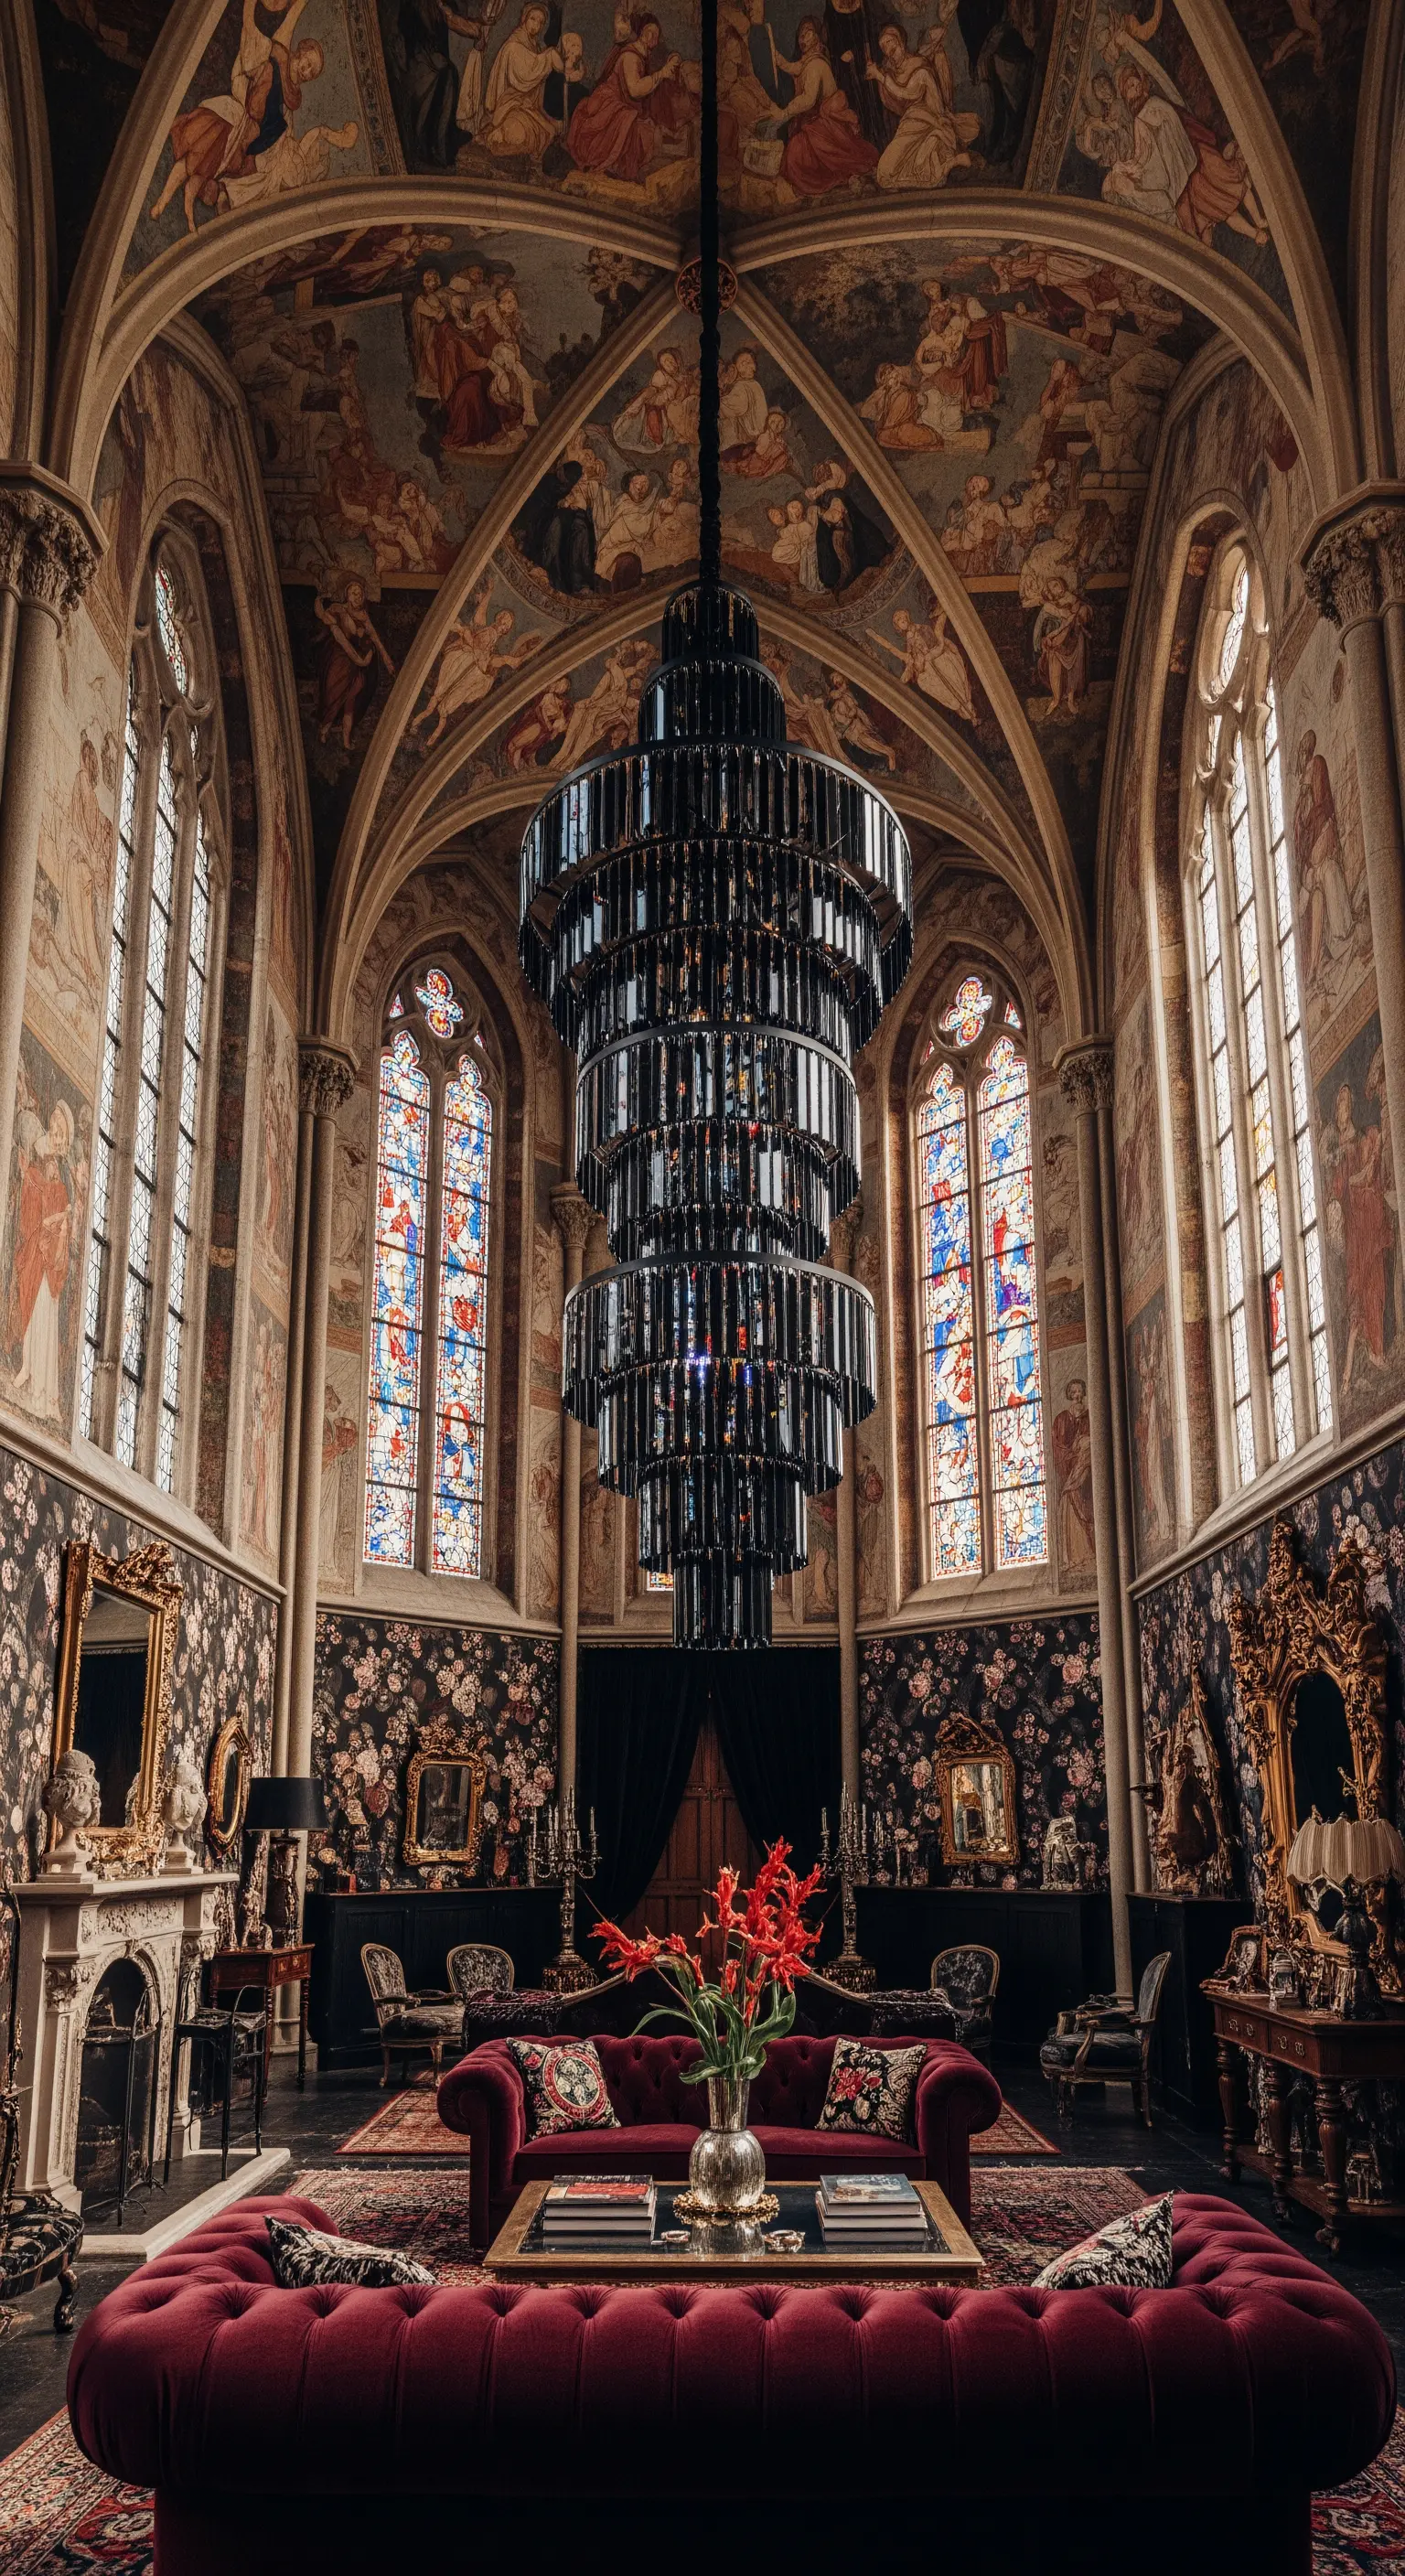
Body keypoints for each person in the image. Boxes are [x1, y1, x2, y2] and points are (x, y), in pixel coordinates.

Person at [566, 15, 692, 185]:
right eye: (648, 32)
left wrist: (669, 66)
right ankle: (610, 165)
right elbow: (635, 90)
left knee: (645, 123)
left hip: (622, 103)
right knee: (628, 120)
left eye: (655, 34)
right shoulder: (631, 56)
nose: (652, 37)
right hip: (608, 102)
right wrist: (661, 74)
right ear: (641, 32)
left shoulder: (643, 55)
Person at [768, 19, 879, 196]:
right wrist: (774, 55)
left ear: (818, 37)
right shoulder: (808, 62)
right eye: (800, 34)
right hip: (816, 122)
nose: (802, 37)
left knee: (797, 153)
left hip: (828, 125)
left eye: (808, 31)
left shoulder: (816, 64)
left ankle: (835, 178)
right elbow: (793, 67)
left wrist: (784, 113)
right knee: (796, 152)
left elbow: (808, 100)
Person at [868, 24, 979, 190]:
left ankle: (953, 162)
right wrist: (881, 79)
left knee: (914, 167)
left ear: (901, 42)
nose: (888, 48)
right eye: (884, 46)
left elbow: (908, 93)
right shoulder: (892, 72)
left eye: (891, 42)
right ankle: (951, 163)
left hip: (931, 121)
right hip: (910, 122)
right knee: (884, 172)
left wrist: (880, 77)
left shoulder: (920, 67)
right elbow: (893, 102)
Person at [481, 5, 573, 159]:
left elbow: (536, 80)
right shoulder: (513, 46)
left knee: (549, 132)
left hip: (526, 106)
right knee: (525, 136)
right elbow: (526, 76)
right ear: (524, 19)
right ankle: (495, 135)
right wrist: (549, 56)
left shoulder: (535, 46)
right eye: (533, 19)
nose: (536, 26)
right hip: (510, 105)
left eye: (541, 22)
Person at [314, 581, 395, 748]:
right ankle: (324, 728)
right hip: (339, 660)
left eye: (360, 593)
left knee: (351, 700)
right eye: (353, 593)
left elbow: (375, 638)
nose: (357, 597)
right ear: (347, 595)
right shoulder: (338, 609)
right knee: (334, 695)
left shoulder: (363, 615)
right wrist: (319, 599)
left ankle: (346, 740)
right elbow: (335, 632)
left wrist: (386, 659)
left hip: (354, 664)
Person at [868, 605, 976, 723]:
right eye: (899, 621)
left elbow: (937, 642)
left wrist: (930, 655)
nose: (902, 622)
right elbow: (893, 649)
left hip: (939, 659)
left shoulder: (923, 628)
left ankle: (967, 706)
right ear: (898, 627)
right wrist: (875, 636)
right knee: (928, 682)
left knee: (954, 680)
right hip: (930, 668)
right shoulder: (909, 644)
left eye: (903, 619)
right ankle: (964, 707)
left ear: (908, 618)